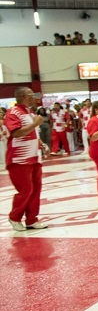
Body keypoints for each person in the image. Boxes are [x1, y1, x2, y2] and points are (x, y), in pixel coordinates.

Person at [4, 87, 48, 231]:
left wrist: (41, 143)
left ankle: (31, 219)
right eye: (32, 94)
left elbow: (31, 133)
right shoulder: (13, 112)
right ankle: (14, 217)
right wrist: (35, 123)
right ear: (24, 96)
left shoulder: (29, 112)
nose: (35, 97)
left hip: (34, 157)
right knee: (26, 190)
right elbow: (16, 133)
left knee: (36, 189)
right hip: (20, 159)